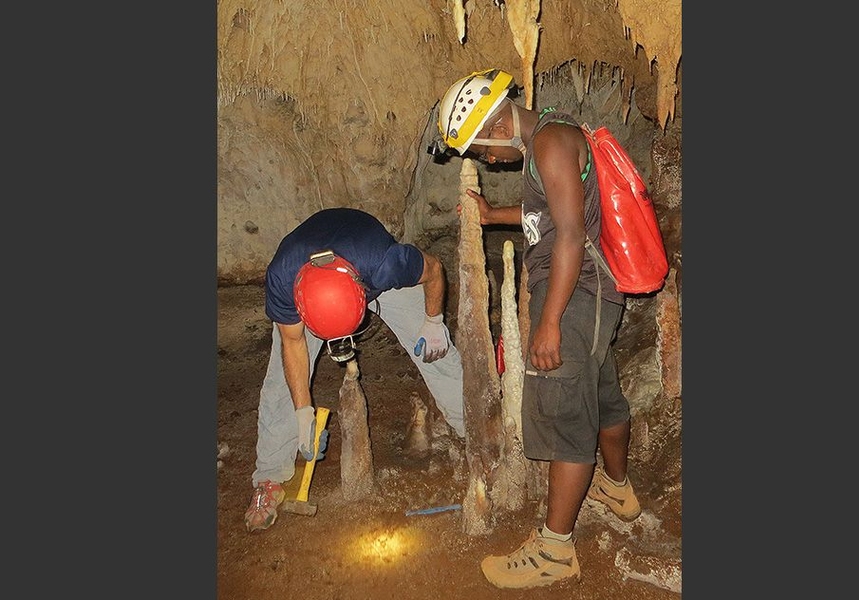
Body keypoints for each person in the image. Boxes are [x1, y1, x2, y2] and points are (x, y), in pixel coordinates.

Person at [435, 69, 641, 589]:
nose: (488, 159)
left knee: (567, 415)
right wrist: (490, 216)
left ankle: (555, 550)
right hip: (590, 300)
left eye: (483, 149)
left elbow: (570, 235)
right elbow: (543, 215)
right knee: (602, 398)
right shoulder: (550, 137)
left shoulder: (549, 141)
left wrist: (548, 322)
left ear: (498, 122)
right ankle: (617, 488)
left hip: (573, 297)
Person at [244, 207, 465, 533]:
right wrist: (303, 412)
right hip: (315, 280)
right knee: (280, 381)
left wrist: (433, 323)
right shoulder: (282, 278)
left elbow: (434, 268)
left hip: (369, 269)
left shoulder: (386, 264)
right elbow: (293, 344)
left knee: (438, 354)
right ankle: (269, 475)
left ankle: (477, 432)